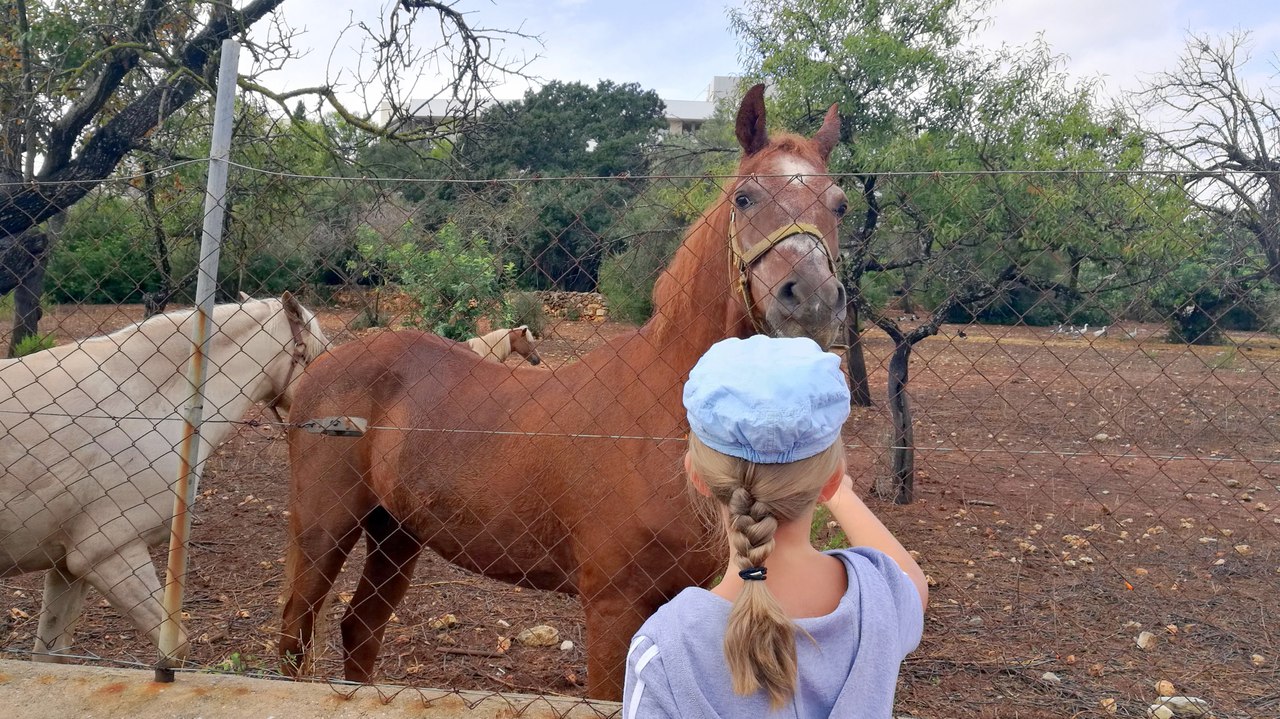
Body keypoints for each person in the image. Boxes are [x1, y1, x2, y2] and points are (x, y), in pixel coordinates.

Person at [623, 335, 928, 718]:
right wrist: (841, 495)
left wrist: (828, 481)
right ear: (831, 480)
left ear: (697, 476)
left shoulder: (666, 648)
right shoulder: (879, 601)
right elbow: (911, 581)